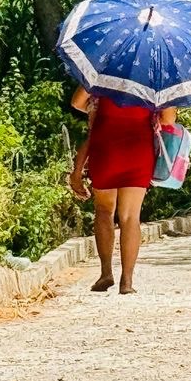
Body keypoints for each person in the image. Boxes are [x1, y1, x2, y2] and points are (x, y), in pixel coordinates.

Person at [68, 87, 175, 294]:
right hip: (138, 152)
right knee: (130, 217)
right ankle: (127, 281)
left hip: (106, 149)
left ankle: (106, 273)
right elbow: (168, 119)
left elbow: (77, 103)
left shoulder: (102, 74)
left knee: (104, 211)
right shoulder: (155, 82)